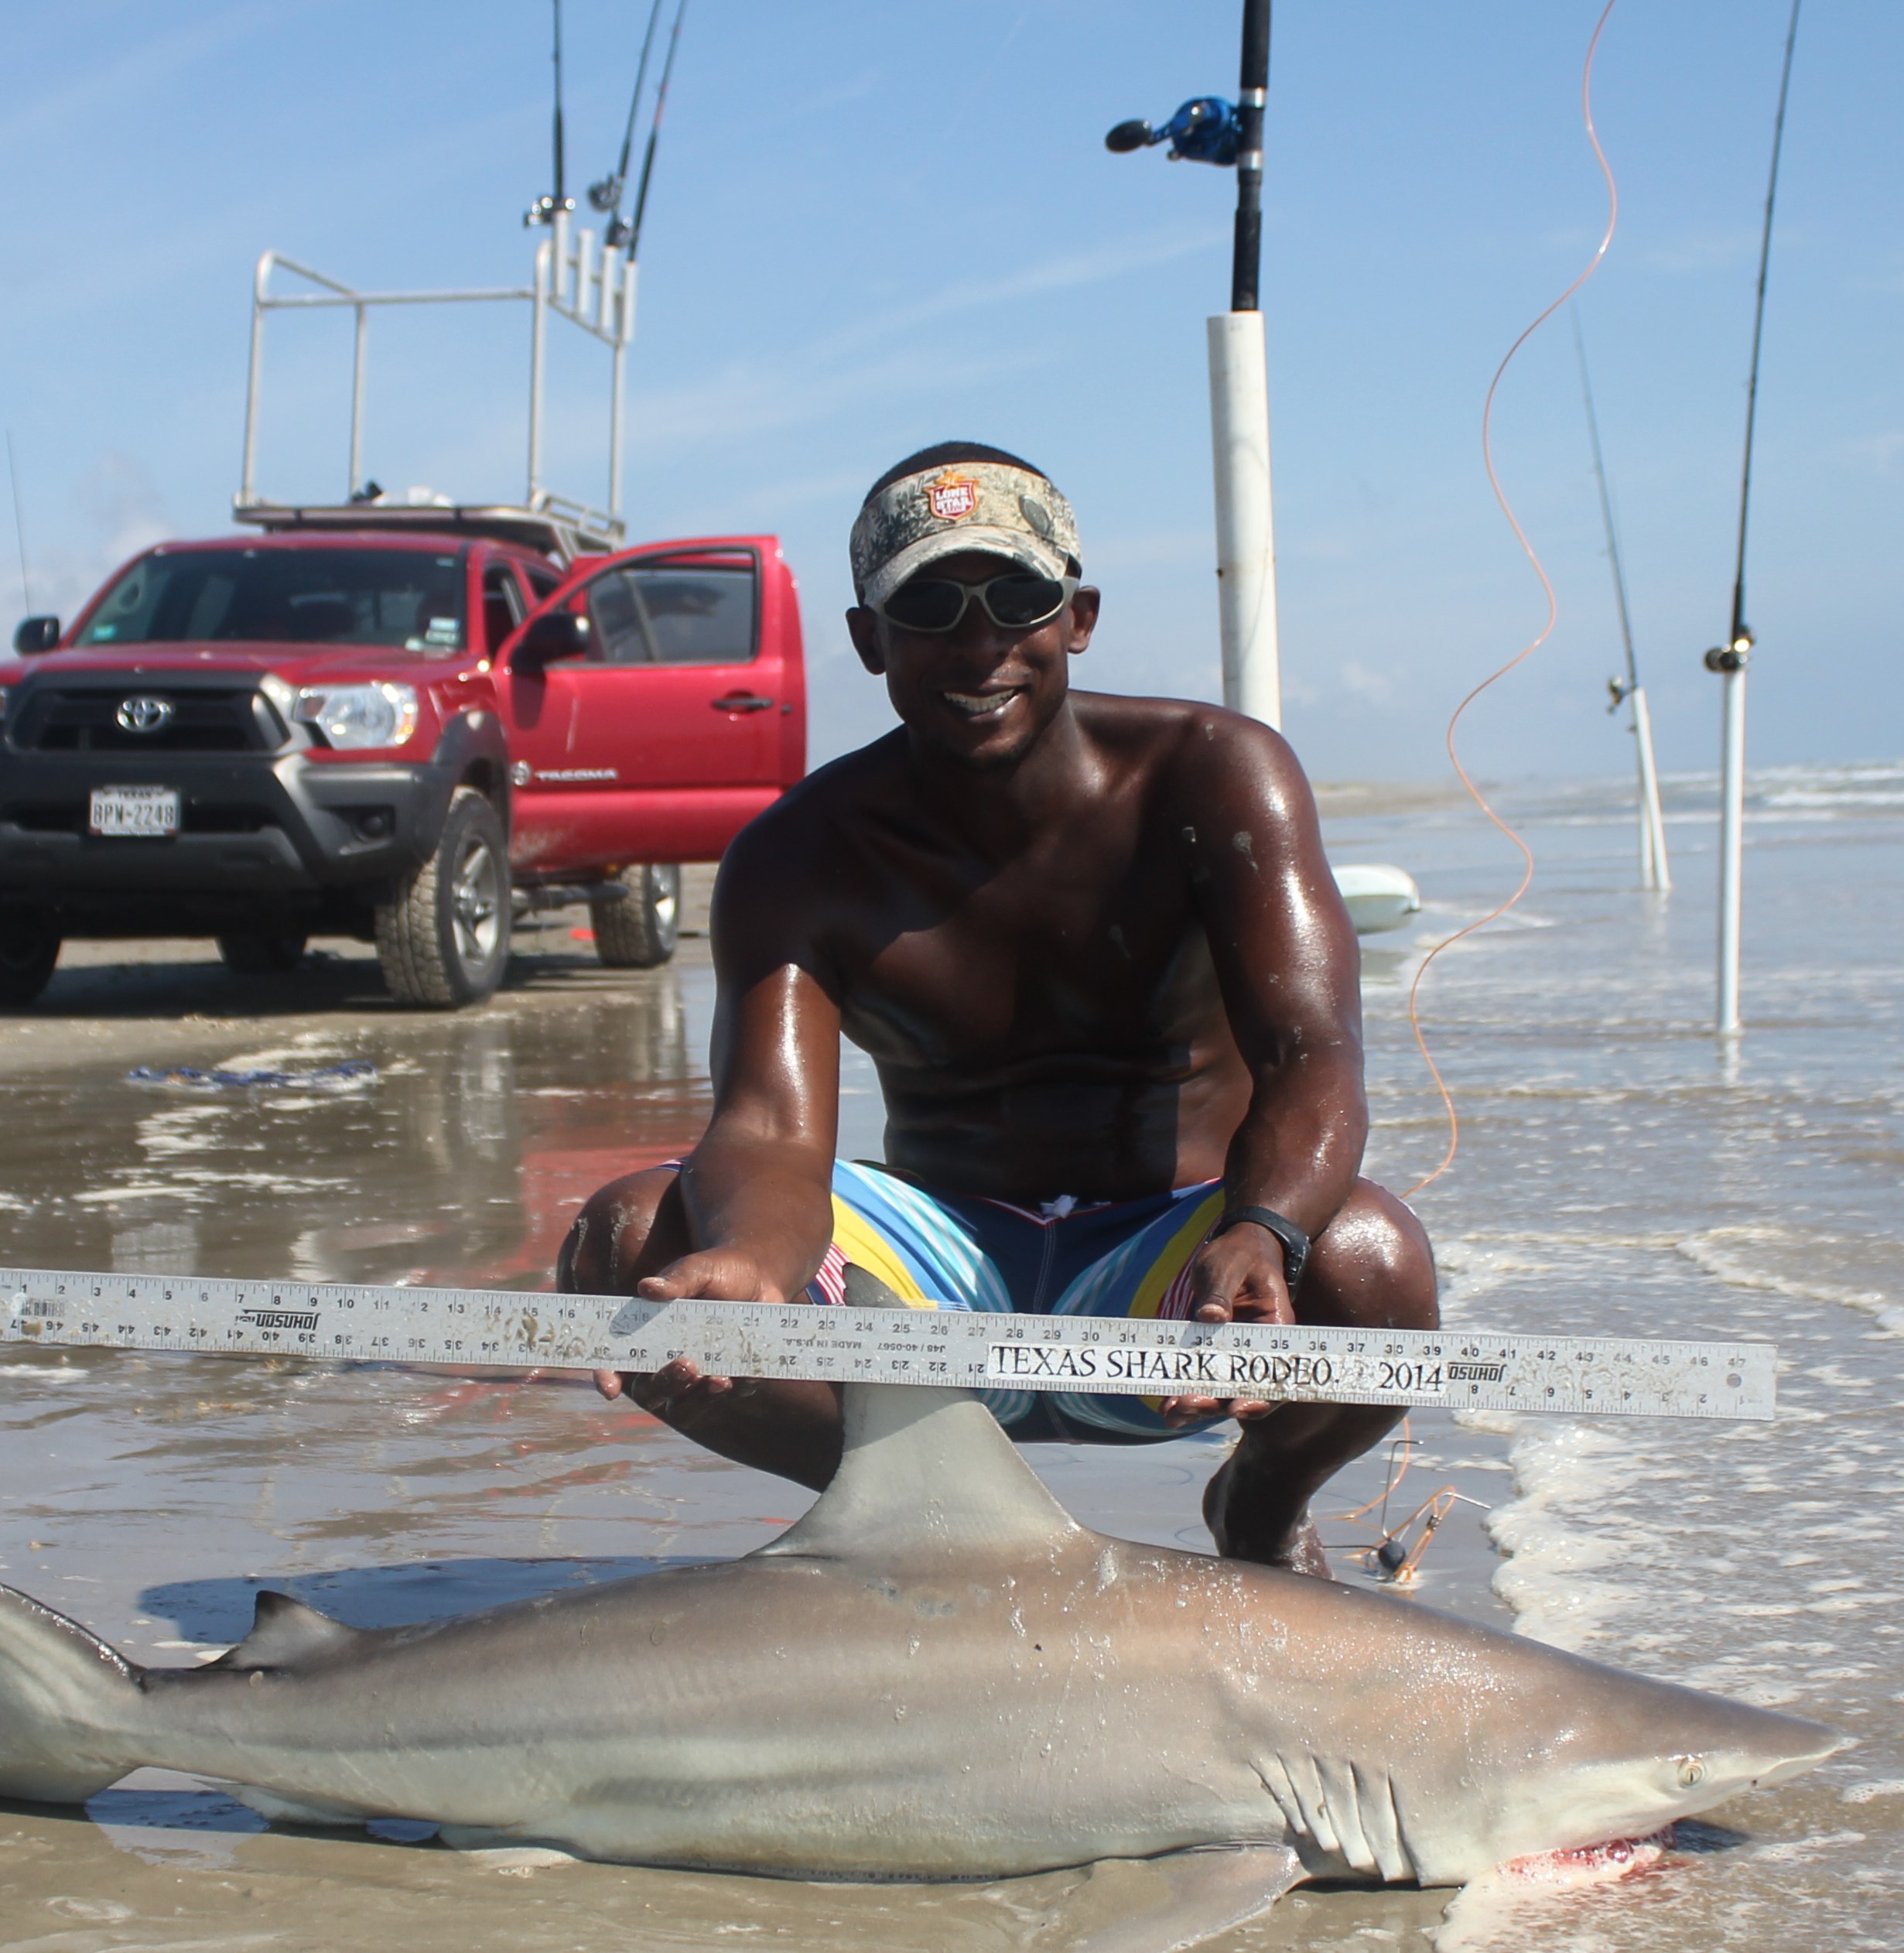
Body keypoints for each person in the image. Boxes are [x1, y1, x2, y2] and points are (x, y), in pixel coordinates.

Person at [554, 442, 1437, 1575]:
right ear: (870, 639)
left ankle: (1260, 1507)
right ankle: (921, 1526)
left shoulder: (1215, 776)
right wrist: (748, 1263)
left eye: (1016, 598)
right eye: (929, 606)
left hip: (1171, 1276)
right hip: (934, 1277)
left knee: (1371, 1259)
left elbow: (1313, 1055)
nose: (979, 646)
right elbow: (771, 1130)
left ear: (1078, 616)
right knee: (628, 1238)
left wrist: (1264, 1232)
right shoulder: (800, 855)